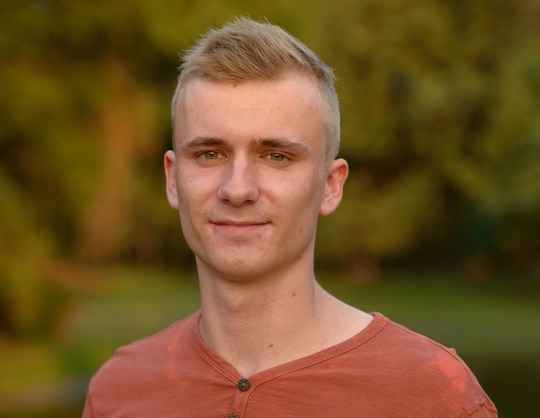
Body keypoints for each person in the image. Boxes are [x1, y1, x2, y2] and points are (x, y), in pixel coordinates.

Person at [82, 17, 497, 418]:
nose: (238, 189)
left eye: (276, 156)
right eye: (210, 154)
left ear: (331, 186)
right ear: (173, 180)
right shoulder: (118, 390)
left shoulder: (433, 395)